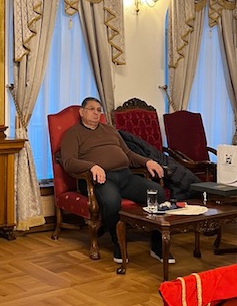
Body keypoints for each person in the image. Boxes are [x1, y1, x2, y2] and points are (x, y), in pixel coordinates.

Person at [60, 97, 174, 265]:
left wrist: (147, 162)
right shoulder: (73, 133)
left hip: (125, 176)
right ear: (81, 112)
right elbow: (68, 161)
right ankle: (118, 243)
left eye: (99, 110)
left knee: (157, 192)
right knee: (112, 201)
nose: (96, 113)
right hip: (98, 180)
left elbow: (128, 154)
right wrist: (92, 166)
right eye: (91, 109)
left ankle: (157, 245)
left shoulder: (110, 130)